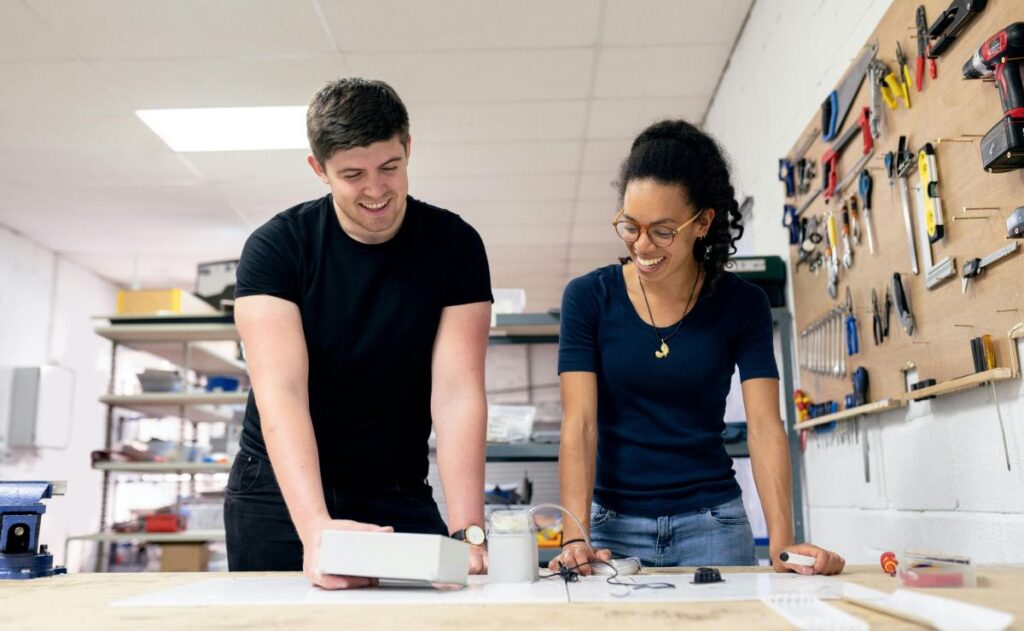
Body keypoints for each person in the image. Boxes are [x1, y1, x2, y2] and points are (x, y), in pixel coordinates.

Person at [226, 78, 492, 588]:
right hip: (280, 494)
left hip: (394, 486)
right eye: (353, 174)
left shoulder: (454, 246)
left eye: (389, 167)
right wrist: (315, 529)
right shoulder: (276, 249)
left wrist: (467, 529)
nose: (376, 190)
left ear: (408, 148)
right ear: (318, 169)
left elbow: (458, 392)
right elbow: (281, 392)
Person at [551, 120, 844, 576]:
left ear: (703, 222)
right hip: (612, 529)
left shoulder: (742, 304)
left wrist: (783, 543)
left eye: (663, 231)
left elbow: (766, 426)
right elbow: (580, 423)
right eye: (630, 225)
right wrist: (575, 535)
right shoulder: (588, 298)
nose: (641, 245)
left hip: (713, 525)